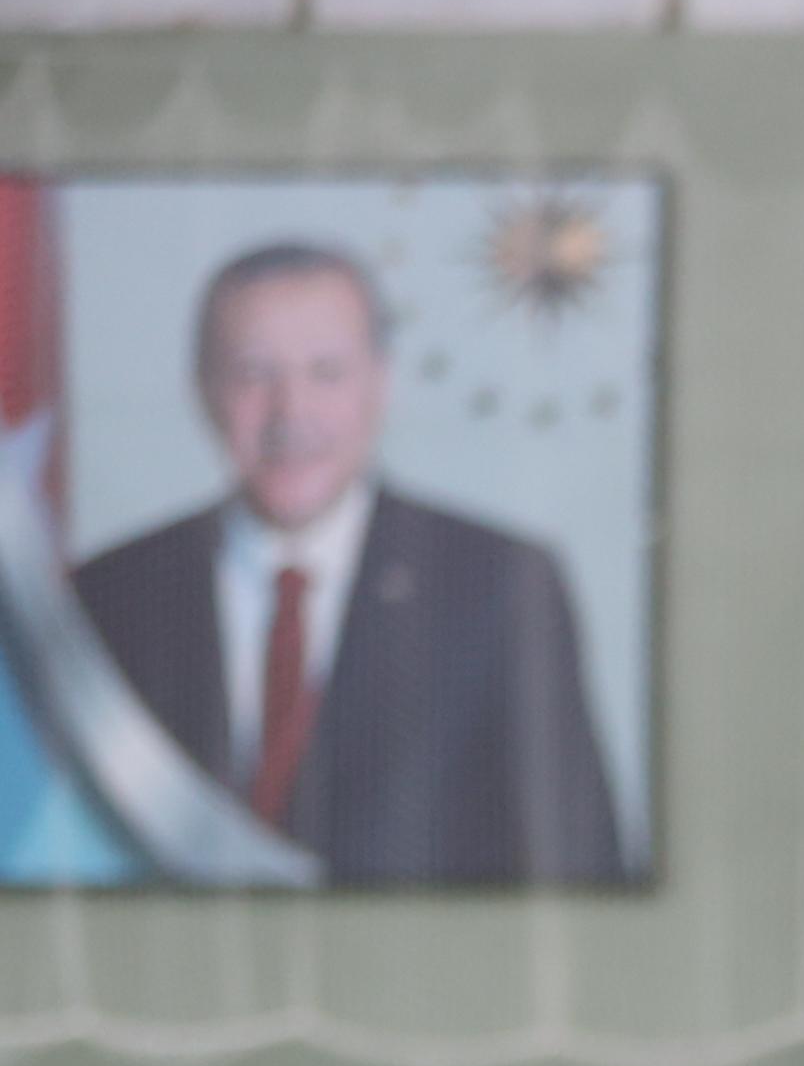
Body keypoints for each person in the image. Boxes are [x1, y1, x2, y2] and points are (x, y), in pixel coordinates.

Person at [71, 241, 633, 888]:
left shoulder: (502, 587)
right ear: (202, 388)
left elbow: (582, 875)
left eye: (326, 372)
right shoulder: (105, 596)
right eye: (253, 373)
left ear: (380, 384)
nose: (291, 411)